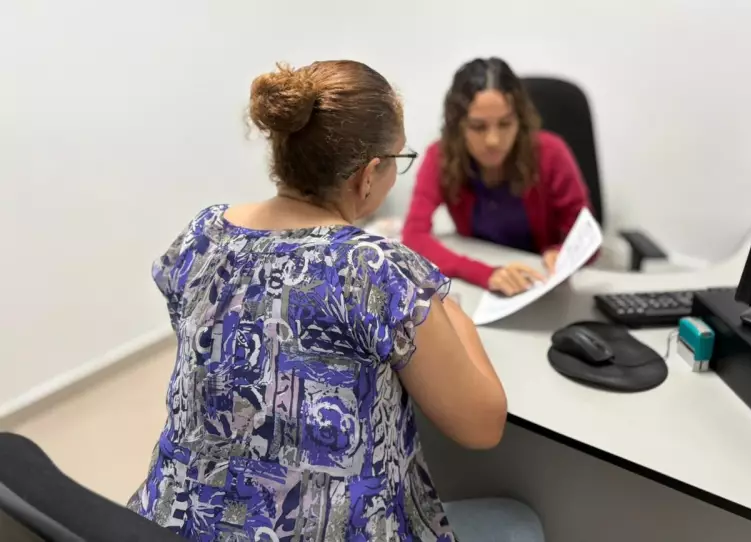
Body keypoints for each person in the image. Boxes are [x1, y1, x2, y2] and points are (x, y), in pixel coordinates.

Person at [128, 60, 545, 541]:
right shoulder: (376, 269)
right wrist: (448, 311)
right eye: (397, 160)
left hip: (169, 526)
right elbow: (482, 425)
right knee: (519, 524)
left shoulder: (205, 232)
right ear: (369, 176)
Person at [402, 58, 594, 297]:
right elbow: (413, 236)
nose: (493, 140)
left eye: (505, 124)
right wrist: (485, 273)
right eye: (478, 127)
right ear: (457, 126)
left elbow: (588, 239)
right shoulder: (440, 157)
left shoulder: (551, 154)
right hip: (485, 286)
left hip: (542, 283)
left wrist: (562, 254)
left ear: (520, 121)